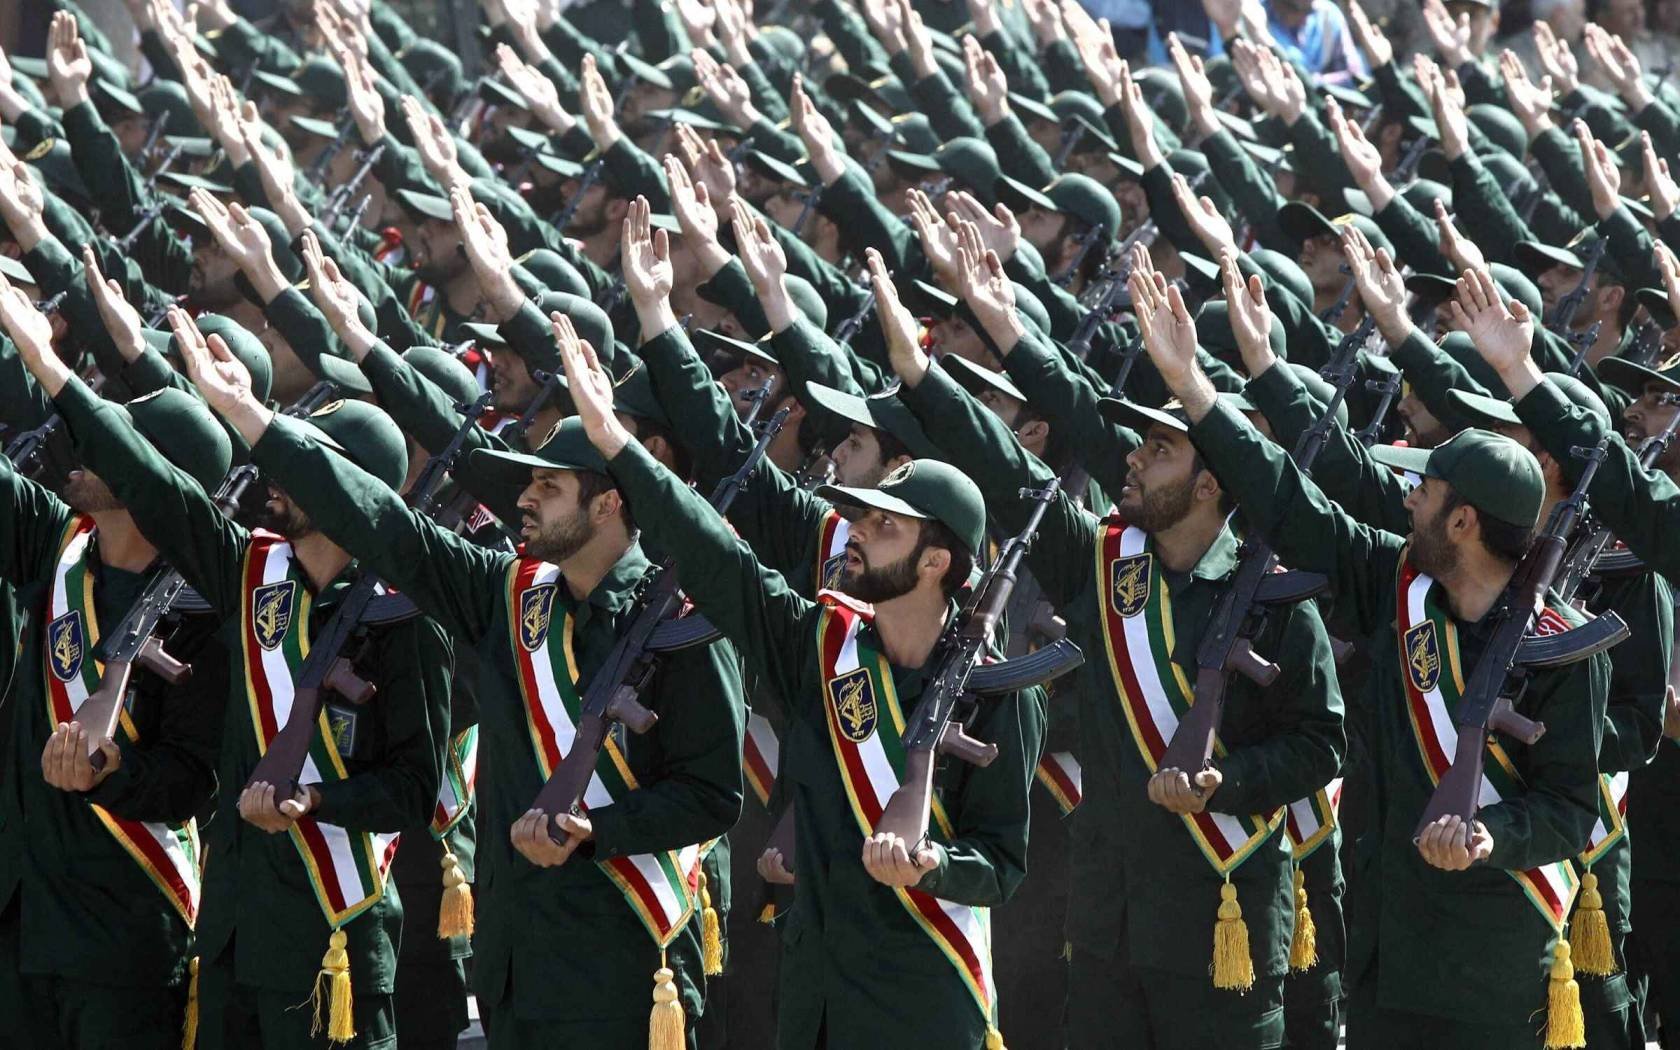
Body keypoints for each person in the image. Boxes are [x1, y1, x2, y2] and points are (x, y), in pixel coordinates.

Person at [153, 284, 747, 1047]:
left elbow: (711, 795)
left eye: (548, 486)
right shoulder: (509, 594)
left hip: (622, 965)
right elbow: (393, 529)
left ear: (607, 506)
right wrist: (254, 422)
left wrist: (595, 828)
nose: (525, 501)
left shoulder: (685, 626)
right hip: (515, 960)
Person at [554, 223, 1046, 1047]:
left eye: (884, 531)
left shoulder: (996, 693)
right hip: (813, 996)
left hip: (925, 1001)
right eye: (860, 519)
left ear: (935, 563)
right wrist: (621, 433)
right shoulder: (820, 641)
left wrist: (933, 864)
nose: (854, 535)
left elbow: (1001, 863)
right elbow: (720, 558)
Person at [1145, 252, 1610, 1049]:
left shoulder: (1565, 648)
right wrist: (1206, 388)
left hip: (1489, 973)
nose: (1408, 496)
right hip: (1385, 954)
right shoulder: (1399, 583)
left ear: (1463, 522)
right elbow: (1295, 504)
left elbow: (1572, 810)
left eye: (1425, 492)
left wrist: (1496, 836)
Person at [0, 292, 454, 1050]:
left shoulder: (405, 622)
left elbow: (414, 786)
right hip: (234, 934)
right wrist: (46, 364)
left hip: (326, 942)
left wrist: (313, 796)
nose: (277, 474)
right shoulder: (251, 576)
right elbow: (164, 491)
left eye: (305, 462)